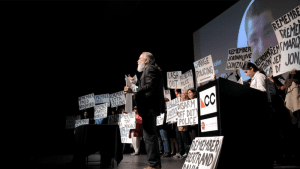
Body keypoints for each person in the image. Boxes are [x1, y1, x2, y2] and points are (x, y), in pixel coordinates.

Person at [124, 52, 165, 169]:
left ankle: (154, 165)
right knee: (150, 136)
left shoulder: (150, 68)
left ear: (146, 61)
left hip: (149, 107)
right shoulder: (151, 69)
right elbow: (148, 85)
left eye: (139, 59)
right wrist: (135, 83)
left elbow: (150, 86)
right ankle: (155, 164)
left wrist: (134, 89)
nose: (137, 61)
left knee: (150, 137)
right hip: (149, 108)